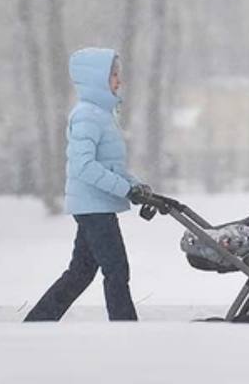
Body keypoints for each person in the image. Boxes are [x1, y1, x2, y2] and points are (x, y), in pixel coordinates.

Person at [24, 48, 153, 322]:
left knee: (80, 272)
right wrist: (125, 189)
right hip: (94, 207)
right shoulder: (87, 116)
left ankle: (38, 322)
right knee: (116, 270)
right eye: (114, 75)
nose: (119, 81)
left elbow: (110, 166)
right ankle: (125, 327)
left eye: (119, 74)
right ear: (96, 79)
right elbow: (83, 166)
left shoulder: (101, 115)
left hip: (96, 205)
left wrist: (136, 185)